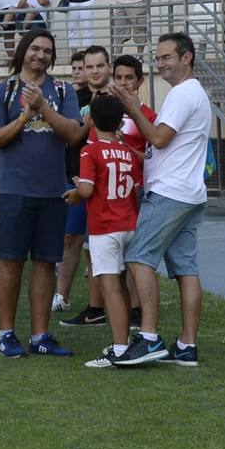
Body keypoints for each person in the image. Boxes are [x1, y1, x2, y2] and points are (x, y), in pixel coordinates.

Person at [113, 32, 212, 366]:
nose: (160, 63)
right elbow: (161, 147)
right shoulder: (189, 93)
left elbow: (159, 137)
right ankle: (187, 346)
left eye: (167, 57)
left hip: (171, 193)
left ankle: (150, 338)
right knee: (186, 268)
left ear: (187, 57)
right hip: (188, 192)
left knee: (138, 257)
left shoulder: (184, 93)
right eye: (157, 58)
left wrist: (131, 107)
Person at [0, 27, 84, 358]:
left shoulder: (63, 89)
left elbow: (73, 134)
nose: (40, 55)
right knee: (10, 261)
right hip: (14, 189)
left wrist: (44, 107)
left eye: (47, 51)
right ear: (24, 51)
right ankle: (6, 333)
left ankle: (40, 335)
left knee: (45, 263)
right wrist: (26, 115)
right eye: (35, 49)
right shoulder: (3, 91)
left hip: (52, 190)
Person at [61, 53, 158, 328]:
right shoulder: (105, 113)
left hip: (134, 196)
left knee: (132, 259)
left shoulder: (148, 115)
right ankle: (96, 308)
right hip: (104, 198)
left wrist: (121, 148)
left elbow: (155, 156)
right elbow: (94, 147)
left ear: (140, 81)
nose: (124, 83)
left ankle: (135, 312)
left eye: (130, 78)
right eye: (119, 77)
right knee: (95, 253)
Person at [65, 95, 145, 369]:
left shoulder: (91, 150)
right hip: (129, 222)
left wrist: (76, 191)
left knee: (109, 286)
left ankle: (120, 348)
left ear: (90, 120)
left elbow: (87, 190)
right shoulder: (126, 150)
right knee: (122, 284)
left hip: (104, 227)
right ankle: (126, 342)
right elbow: (134, 185)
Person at [55, 48, 97, 314]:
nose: (83, 72)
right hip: (72, 172)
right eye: (79, 68)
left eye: (89, 67)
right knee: (71, 237)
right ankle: (61, 295)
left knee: (96, 244)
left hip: (96, 177)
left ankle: (99, 304)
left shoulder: (105, 97)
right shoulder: (67, 96)